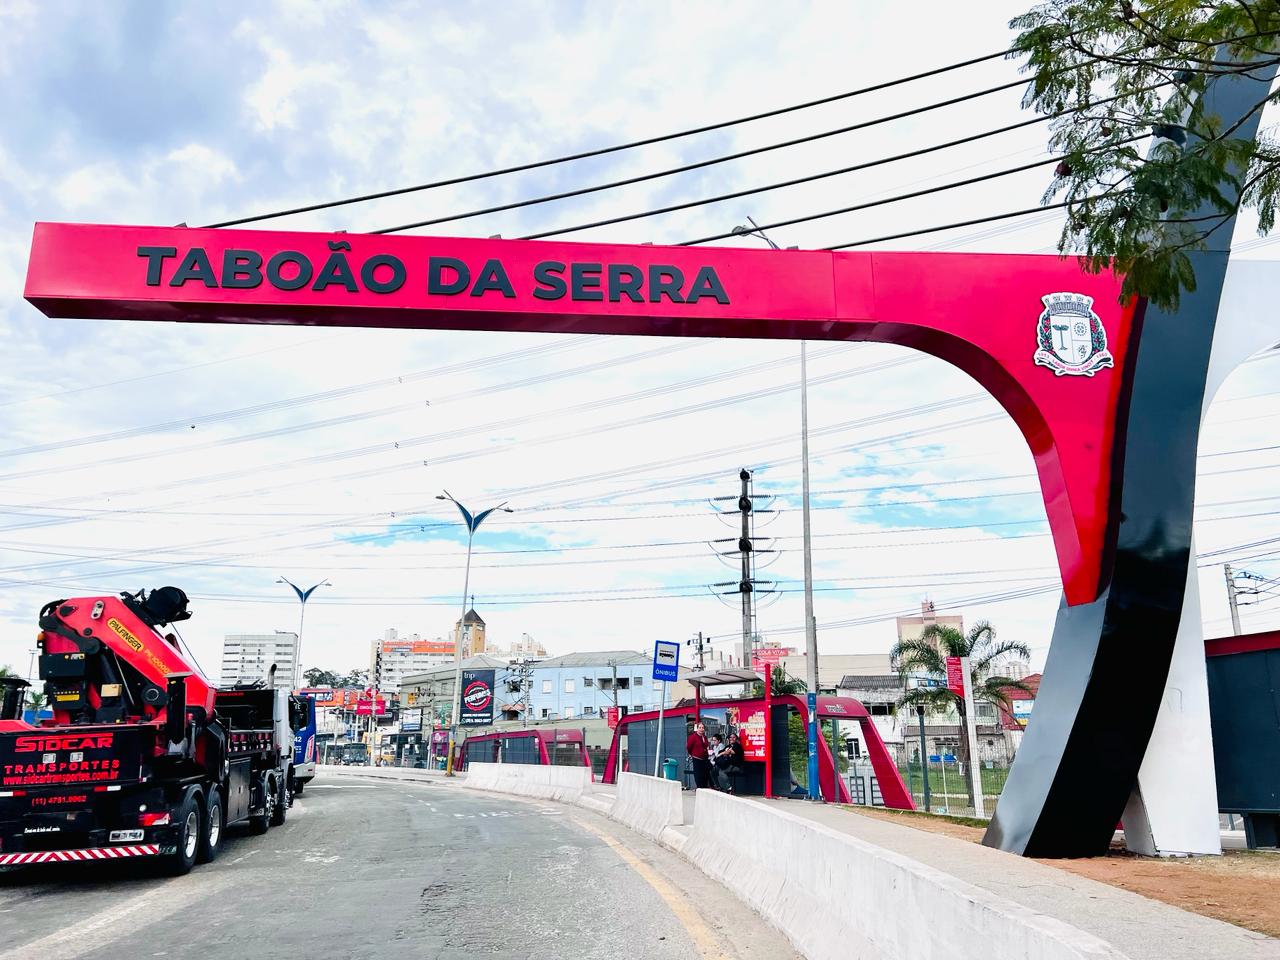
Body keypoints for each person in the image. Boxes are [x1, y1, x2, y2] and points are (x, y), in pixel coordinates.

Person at [687, 721, 712, 789]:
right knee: (698, 774)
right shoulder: (693, 737)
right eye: (700, 727)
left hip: (705, 758)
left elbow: (706, 746)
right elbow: (689, 747)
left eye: (703, 728)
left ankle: (705, 787)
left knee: (705, 774)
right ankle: (699, 787)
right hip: (697, 758)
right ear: (697, 729)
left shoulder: (704, 737)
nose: (701, 729)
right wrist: (692, 754)